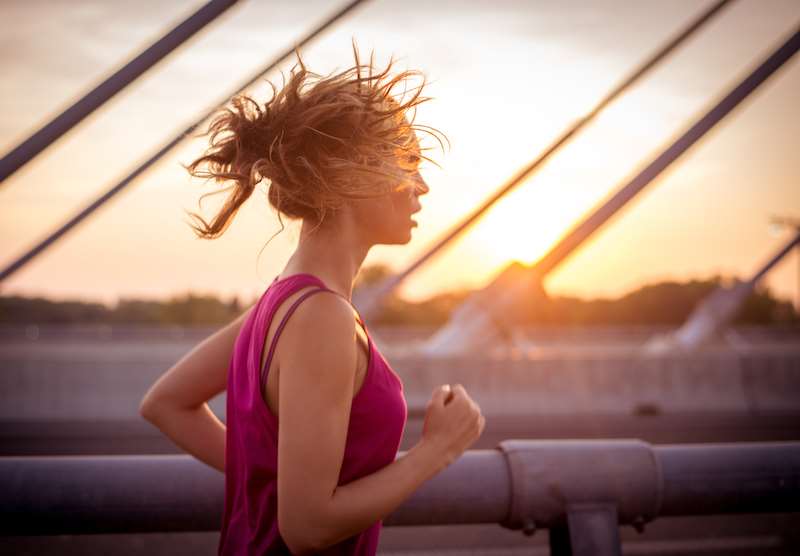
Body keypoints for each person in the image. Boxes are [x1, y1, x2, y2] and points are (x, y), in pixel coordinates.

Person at [139, 46, 485, 555]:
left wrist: (275, 474)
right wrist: (437, 450)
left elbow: (166, 404)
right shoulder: (322, 317)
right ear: (352, 178)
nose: (423, 186)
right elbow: (307, 528)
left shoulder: (283, 301)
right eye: (406, 165)